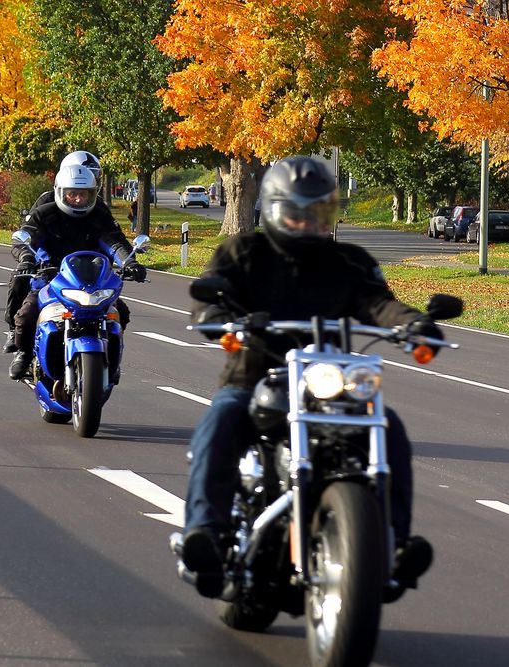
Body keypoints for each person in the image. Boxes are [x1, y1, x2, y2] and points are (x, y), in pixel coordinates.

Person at [180, 156, 439, 600]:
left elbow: (377, 304)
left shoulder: (349, 261)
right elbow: (209, 297)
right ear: (273, 209)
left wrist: (413, 323)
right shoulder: (243, 252)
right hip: (255, 378)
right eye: (296, 213)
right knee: (220, 420)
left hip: (329, 385)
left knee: (390, 427)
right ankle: (205, 533)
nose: (306, 223)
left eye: (316, 214)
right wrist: (218, 317)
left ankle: (393, 542)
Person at [8, 165, 146, 379]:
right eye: (73, 194)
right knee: (27, 315)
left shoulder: (100, 215)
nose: (79, 200)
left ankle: (111, 359)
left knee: (121, 313)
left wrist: (130, 262)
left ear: (93, 194)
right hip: (50, 278)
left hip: (92, 280)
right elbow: (27, 239)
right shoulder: (45, 214)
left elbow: (114, 241)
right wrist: (27, 259)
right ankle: (25, 354)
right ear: (61, 192)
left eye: (84, 194)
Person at [2, 150, 108, 353]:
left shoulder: (98, 206)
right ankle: (15, 333)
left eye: (94, 175)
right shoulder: (46, 202)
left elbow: (110, 237)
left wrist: (122, 260)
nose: (89, 179)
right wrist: (28, 257)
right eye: (87, 173)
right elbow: (30, 232)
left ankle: (110, 348)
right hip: (49, 265)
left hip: (86, 270)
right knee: (19, 280)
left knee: (118, 309)